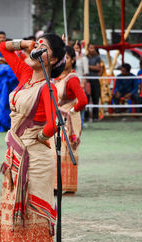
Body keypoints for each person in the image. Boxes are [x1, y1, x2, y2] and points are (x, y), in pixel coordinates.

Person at [0, 33, 66, 242]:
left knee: (31, 215)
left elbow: (53, 124)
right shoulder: (25, 73)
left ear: (54, 59)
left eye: (43, 48)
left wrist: (41, 137)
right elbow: (1, 47)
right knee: (13, 213)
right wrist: (25, 45)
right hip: (14, 157)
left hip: (35, 157)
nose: (37, 49)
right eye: (37, 44)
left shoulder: (49, 86)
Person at [53, 45, 88, 193]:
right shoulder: (57, 77)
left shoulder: (71, 79)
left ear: (73, 60)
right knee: (55, 152)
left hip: (67, 121)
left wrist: (70, 112)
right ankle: (56, 185)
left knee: (65, 151)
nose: (63, 60)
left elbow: (83, 101)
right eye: (61, 58)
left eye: (66, 58)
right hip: (56, 119)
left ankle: (66, 186)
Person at [74, 40, 89, 125]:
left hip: (80, 83)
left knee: (81, 102)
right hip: (71, 82)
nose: (76, 49)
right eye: (74, 48)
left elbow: (85, 72)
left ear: (80, 49)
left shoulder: (84, 59)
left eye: (77, 48)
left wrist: (83, 84)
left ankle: (81, 122)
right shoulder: (69, 58)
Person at [87, 43, 101, 121]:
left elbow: (98, 68)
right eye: (90, 48)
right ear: (87, 49)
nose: (92, 49)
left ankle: (96, 117)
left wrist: (87, 66)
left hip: (95, 80)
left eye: (93, 48)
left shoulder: (97, 58)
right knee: (86, 99)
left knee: (96, 98)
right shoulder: (85, 57)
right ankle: (86, 117)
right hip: (87, 81)